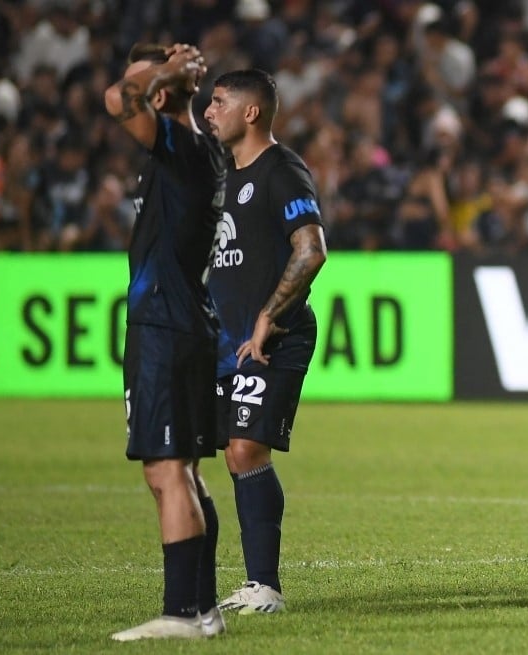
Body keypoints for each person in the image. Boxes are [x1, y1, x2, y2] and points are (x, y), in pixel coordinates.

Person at [105, 43, 228, 641]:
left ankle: (182, 613)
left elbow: (116, 99)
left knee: (165, 470)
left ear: (158, 97)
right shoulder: (194, 154)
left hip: (166, 325)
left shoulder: (182, 150)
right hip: (185, 323)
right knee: (184, 469)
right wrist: (173, 78)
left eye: (146, 84)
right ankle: (203, 610)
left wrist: (170, 76)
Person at [202, 68, 328, 614]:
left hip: (274, 337)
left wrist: (268, 317)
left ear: (250, 112)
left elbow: (311, 249)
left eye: (219, 101)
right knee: (227, 456)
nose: (209, 111)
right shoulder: (223, 177)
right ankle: (228, 584)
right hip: (224, 340)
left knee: (246, 448)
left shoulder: (282, 170)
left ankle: (265, 585)